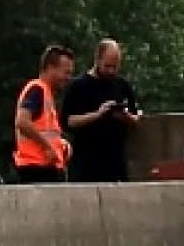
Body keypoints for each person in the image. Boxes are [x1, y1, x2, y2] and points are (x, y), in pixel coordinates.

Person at [61, 39, 142, 183]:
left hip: (115, 164)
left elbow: (137, 119)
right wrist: (98, 114)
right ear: (97, 59)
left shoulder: (122, 85)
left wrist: (125, 116)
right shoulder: (78, 86)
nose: (111, 71)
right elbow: (68, 121)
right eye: (107, 66)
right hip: (86, 165)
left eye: (115, 67)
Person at [12, 45, 75, 184]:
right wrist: (47, 147)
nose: (68, 78)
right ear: (51, 68)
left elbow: (45, 130)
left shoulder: (46, 93)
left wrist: (61, 145)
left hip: (44, 166)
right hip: (35, 167)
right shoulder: (37, 89)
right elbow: (22, 122)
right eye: (66, 72)